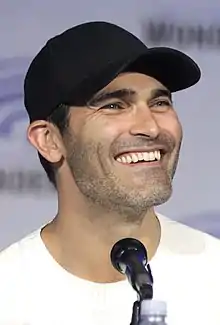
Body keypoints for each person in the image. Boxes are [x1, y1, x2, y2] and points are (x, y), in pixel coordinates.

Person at [0, 21, 219, 325]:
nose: (151, 126)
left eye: (160, 102)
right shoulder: (7, 294)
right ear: (49, 140)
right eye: (114, 105)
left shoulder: (214, 275)